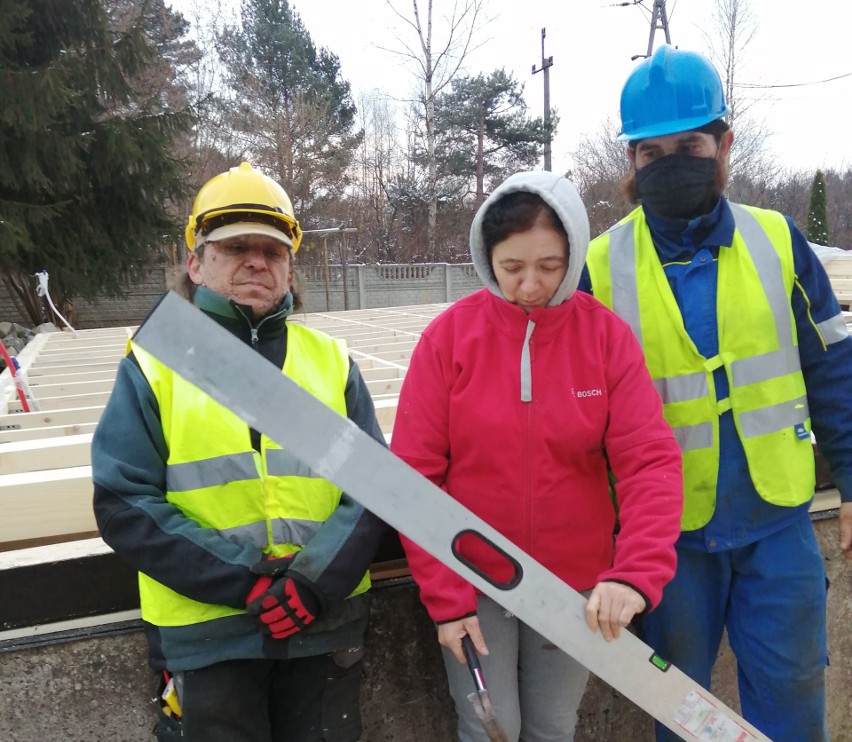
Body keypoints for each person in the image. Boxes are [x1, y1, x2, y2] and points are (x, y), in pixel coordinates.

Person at [582, 44, 852, 742]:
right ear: (632, 163)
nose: (671, 162)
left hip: (778, 526)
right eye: (652, 152)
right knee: (680, 714)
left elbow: (835, 371)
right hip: (664, 542)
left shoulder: (778, 241)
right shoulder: (598, 268)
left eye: (690, 143)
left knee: (794, 700)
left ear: (724, 143)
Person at [92, 162, 389, 742]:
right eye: (236, 247)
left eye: (272, 251)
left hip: (322, 622)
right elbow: (124, 501)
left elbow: (375, 489)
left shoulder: (330, 360)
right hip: (209, 635)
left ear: (289, 268)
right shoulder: (155, 364)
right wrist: (245, 581)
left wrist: (313, 583)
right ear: (196, 262)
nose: (257, 260)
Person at [390, 170, 684, 741]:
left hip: (573, 589)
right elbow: (414, 477)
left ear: (573, 253)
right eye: (512, 268)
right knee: (487, 727)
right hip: (473, 580)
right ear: (486, 256)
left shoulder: (606, 339)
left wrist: (634, 575)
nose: (530, 286)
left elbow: (649, 461)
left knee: (552, 727)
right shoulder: (449, 340)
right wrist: (447, 599)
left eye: (549, 267)